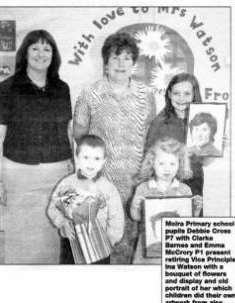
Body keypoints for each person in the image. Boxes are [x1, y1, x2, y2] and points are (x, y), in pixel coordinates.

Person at [73, 31, 156, 263]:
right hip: (100, 184)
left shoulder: (146, 95)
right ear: (106, 61)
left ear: (134, 63)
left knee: (128, 247)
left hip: (134, 184)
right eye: (115, 57)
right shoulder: (91, 93)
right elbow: (79, 136)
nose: (121, 63)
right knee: (99, 247)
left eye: (127, 57)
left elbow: (151, 136)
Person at [0, 30, 73, 264]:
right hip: (18, 171)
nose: (41, 54)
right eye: (35, 48)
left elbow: (68, 132)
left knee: (52, 230)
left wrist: (72, 169)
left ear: (54, 55)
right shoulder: (7, 88)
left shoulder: (62, 88)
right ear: (25, 53)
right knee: (20, 231)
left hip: (56, 171)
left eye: (47, 49)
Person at [47, 135, 124, 264]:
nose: (90, 163)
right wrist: (62, 223)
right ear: (77, 158)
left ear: (104, 161)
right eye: (86, 157)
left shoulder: (108, 188)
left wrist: (111, 239)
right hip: (71, 243)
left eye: (96, 158)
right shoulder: (68, 184)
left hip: (99, 244)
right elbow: (53, 208)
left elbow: (117, 218)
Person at [130, 137, 202, 264]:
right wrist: (135, 207)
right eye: (162, 163)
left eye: (172, 164)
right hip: (148, 246)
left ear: (180, 164)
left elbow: (189, 222)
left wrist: (195, 209)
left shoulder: (185, 190)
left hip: (176, 249)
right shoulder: (143, 188)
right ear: (152, 163)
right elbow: (136, 217)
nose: (167, 169)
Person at [143, 72, 204, 197]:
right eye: (176, 93)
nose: (181, 98)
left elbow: (205, 160)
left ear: (194, 95)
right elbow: (149, 157)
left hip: (194, 182)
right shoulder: (159, 122)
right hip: (165, 183)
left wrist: (215, 145)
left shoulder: (201, 121)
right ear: (169, 94)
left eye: (187, 94)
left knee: (192, 213)